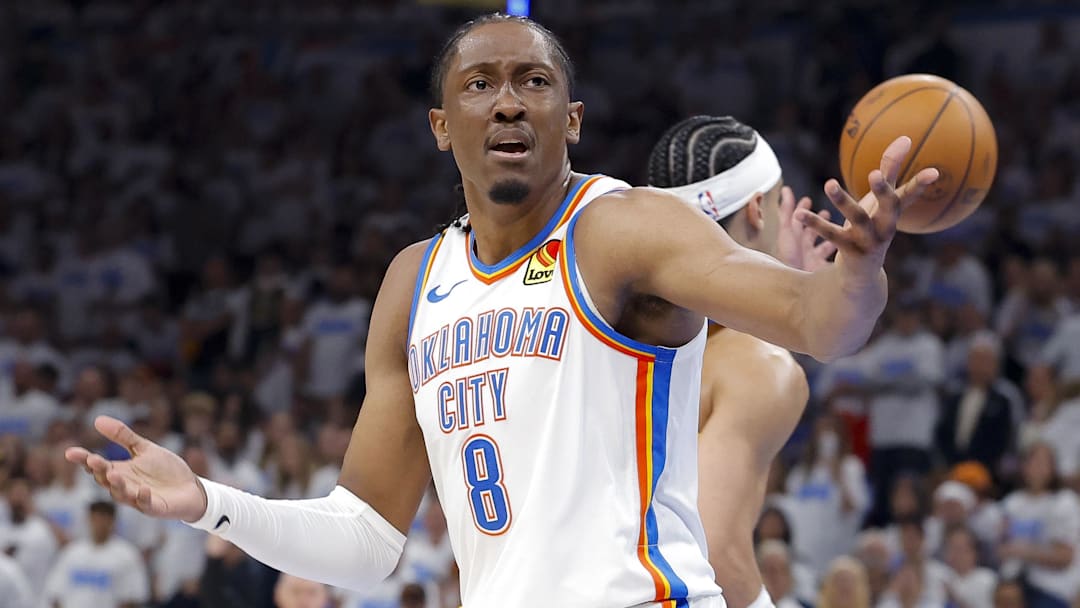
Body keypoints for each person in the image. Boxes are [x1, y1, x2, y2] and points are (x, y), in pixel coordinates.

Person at [66, 13, 936, 608]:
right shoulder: (415, 281)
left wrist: (859, 268)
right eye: (481, 84)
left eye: (534, 81)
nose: (510, 99)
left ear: (574, 118)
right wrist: (208, 503)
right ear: (443, 125)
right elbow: (366, 540)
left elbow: (820, 322)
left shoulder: (625, 228)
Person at [646, 114, 838, 608]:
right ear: (757, 209)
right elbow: (712, 550)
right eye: (778, 201)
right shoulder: (759, 366)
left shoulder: (608, 310)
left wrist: (778, 298)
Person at [42, 501, 150, 608]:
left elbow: (132, 598)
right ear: (89, 519)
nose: (99, 523)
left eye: (104, 518)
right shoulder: (72, 552)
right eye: (96, 517)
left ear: (113, 521)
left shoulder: (127, 555)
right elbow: (55, 593)